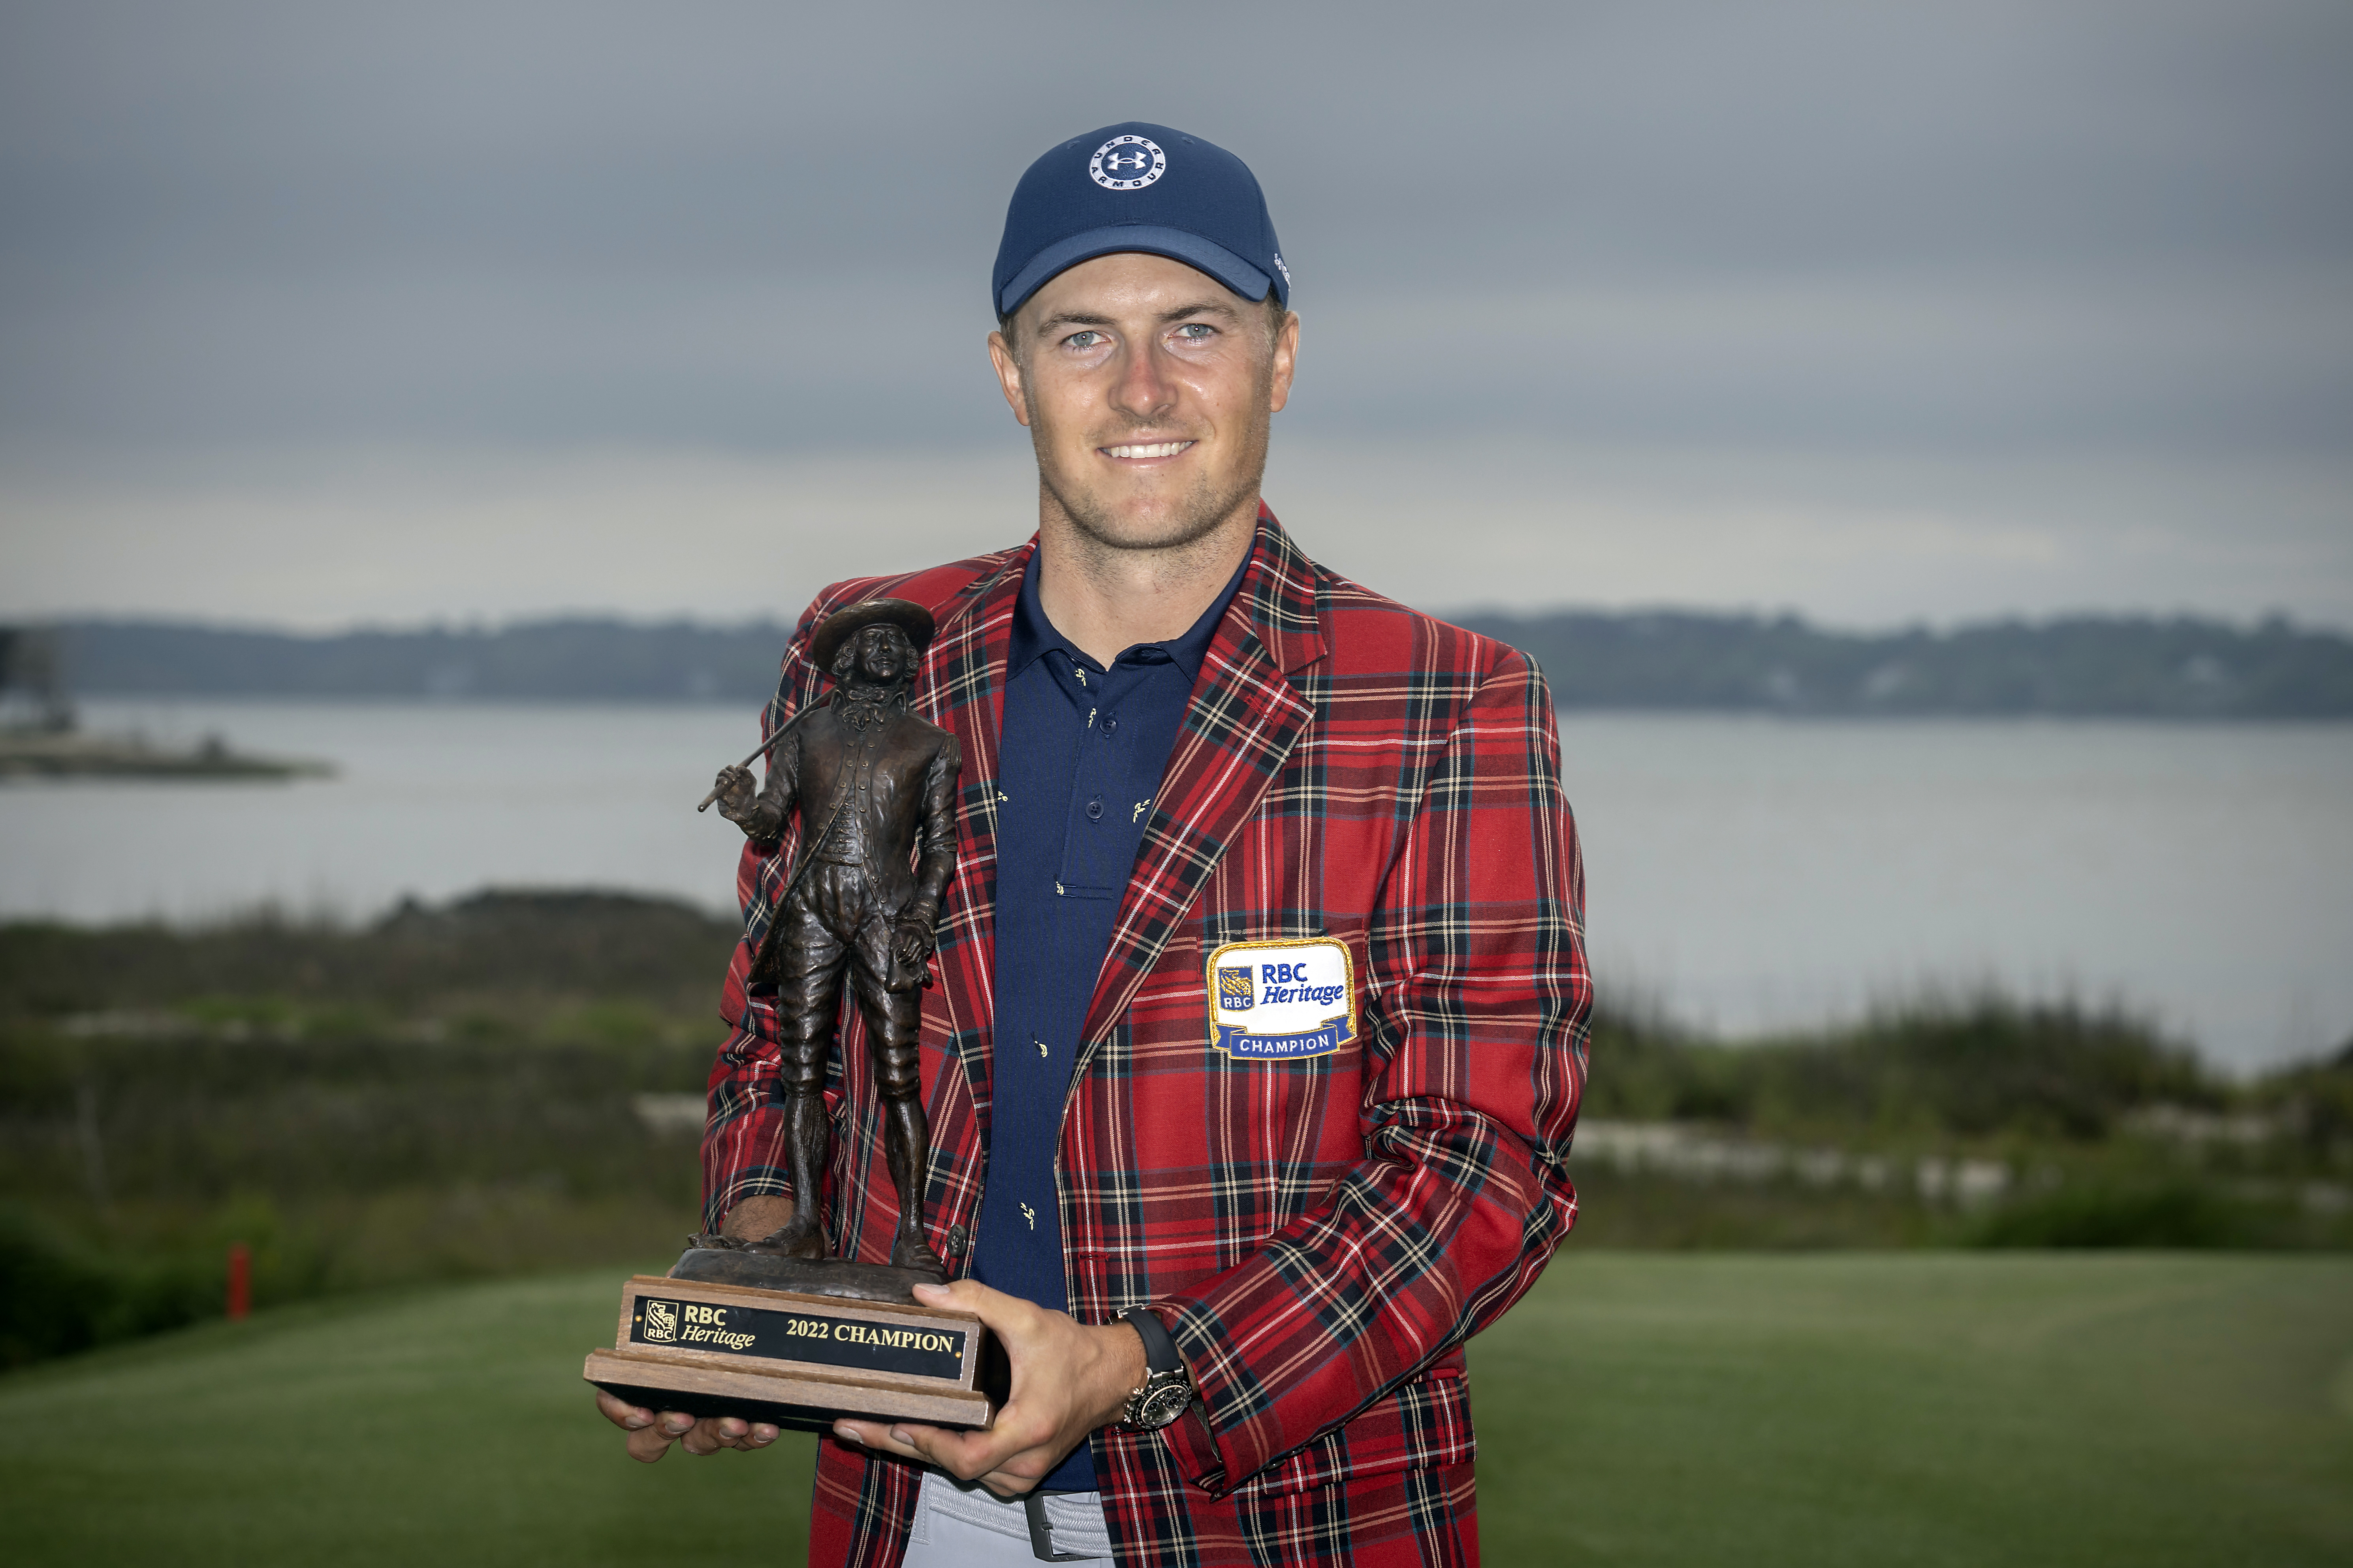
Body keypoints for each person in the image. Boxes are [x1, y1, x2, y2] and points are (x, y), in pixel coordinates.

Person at [597, 121, 1591, 1567]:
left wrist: (1135, 1363)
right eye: (1082, 334)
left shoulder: (1447, 701)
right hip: (903, 1505)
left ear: (1283, 357)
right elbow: (772, 1029)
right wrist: (760, 1278)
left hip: (1279, 1516)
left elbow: (1484, 1166)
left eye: (1195, 326)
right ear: (1011, 374)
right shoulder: (870, 651)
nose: (1143, 387)